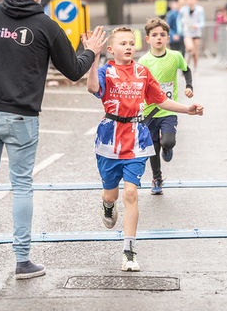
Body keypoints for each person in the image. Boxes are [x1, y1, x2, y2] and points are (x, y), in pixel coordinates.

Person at [0, 0, 107, 280]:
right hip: (22, 116)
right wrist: (92, 51)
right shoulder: (46, 26)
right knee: (22, 184)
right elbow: (72, 71)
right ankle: (23, 261)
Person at [84, 26, 203, 272]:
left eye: (131, 43)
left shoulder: (142, 71)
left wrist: (187, 109)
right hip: (110, 141)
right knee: (111, 195)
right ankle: (107, 205)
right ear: (110, 50)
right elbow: (93, 88)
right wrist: (93, 59)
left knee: (131, 194)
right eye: (123, 43)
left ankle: (129, 251)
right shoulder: (106, 71)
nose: (128, 47)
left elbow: (160, 99)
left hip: (138, 138)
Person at [138, 17, 194, 195]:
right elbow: (137, 83)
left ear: (168, 38)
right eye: (154, 35)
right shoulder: (143, 61)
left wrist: (189, 86)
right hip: (149, 111)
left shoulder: (175, 56)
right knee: (152, 148)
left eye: (162, 35)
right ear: (148, 39)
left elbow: (186, 69)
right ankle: (157, 177)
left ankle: (167, 147)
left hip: (169, 108)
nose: (159, 38)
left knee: (168, 141)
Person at [179, 0, 205, 71]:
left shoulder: (200, 10)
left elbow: (202, 22)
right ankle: (185, 67)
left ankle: (195, 68)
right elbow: (179, 21)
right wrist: (180, 30)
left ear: (195, 0)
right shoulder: (183, 10)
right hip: (187, 33)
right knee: (189, 48)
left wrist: (197, 25)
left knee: (194, 52)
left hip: (196, 33)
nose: (190, 1)